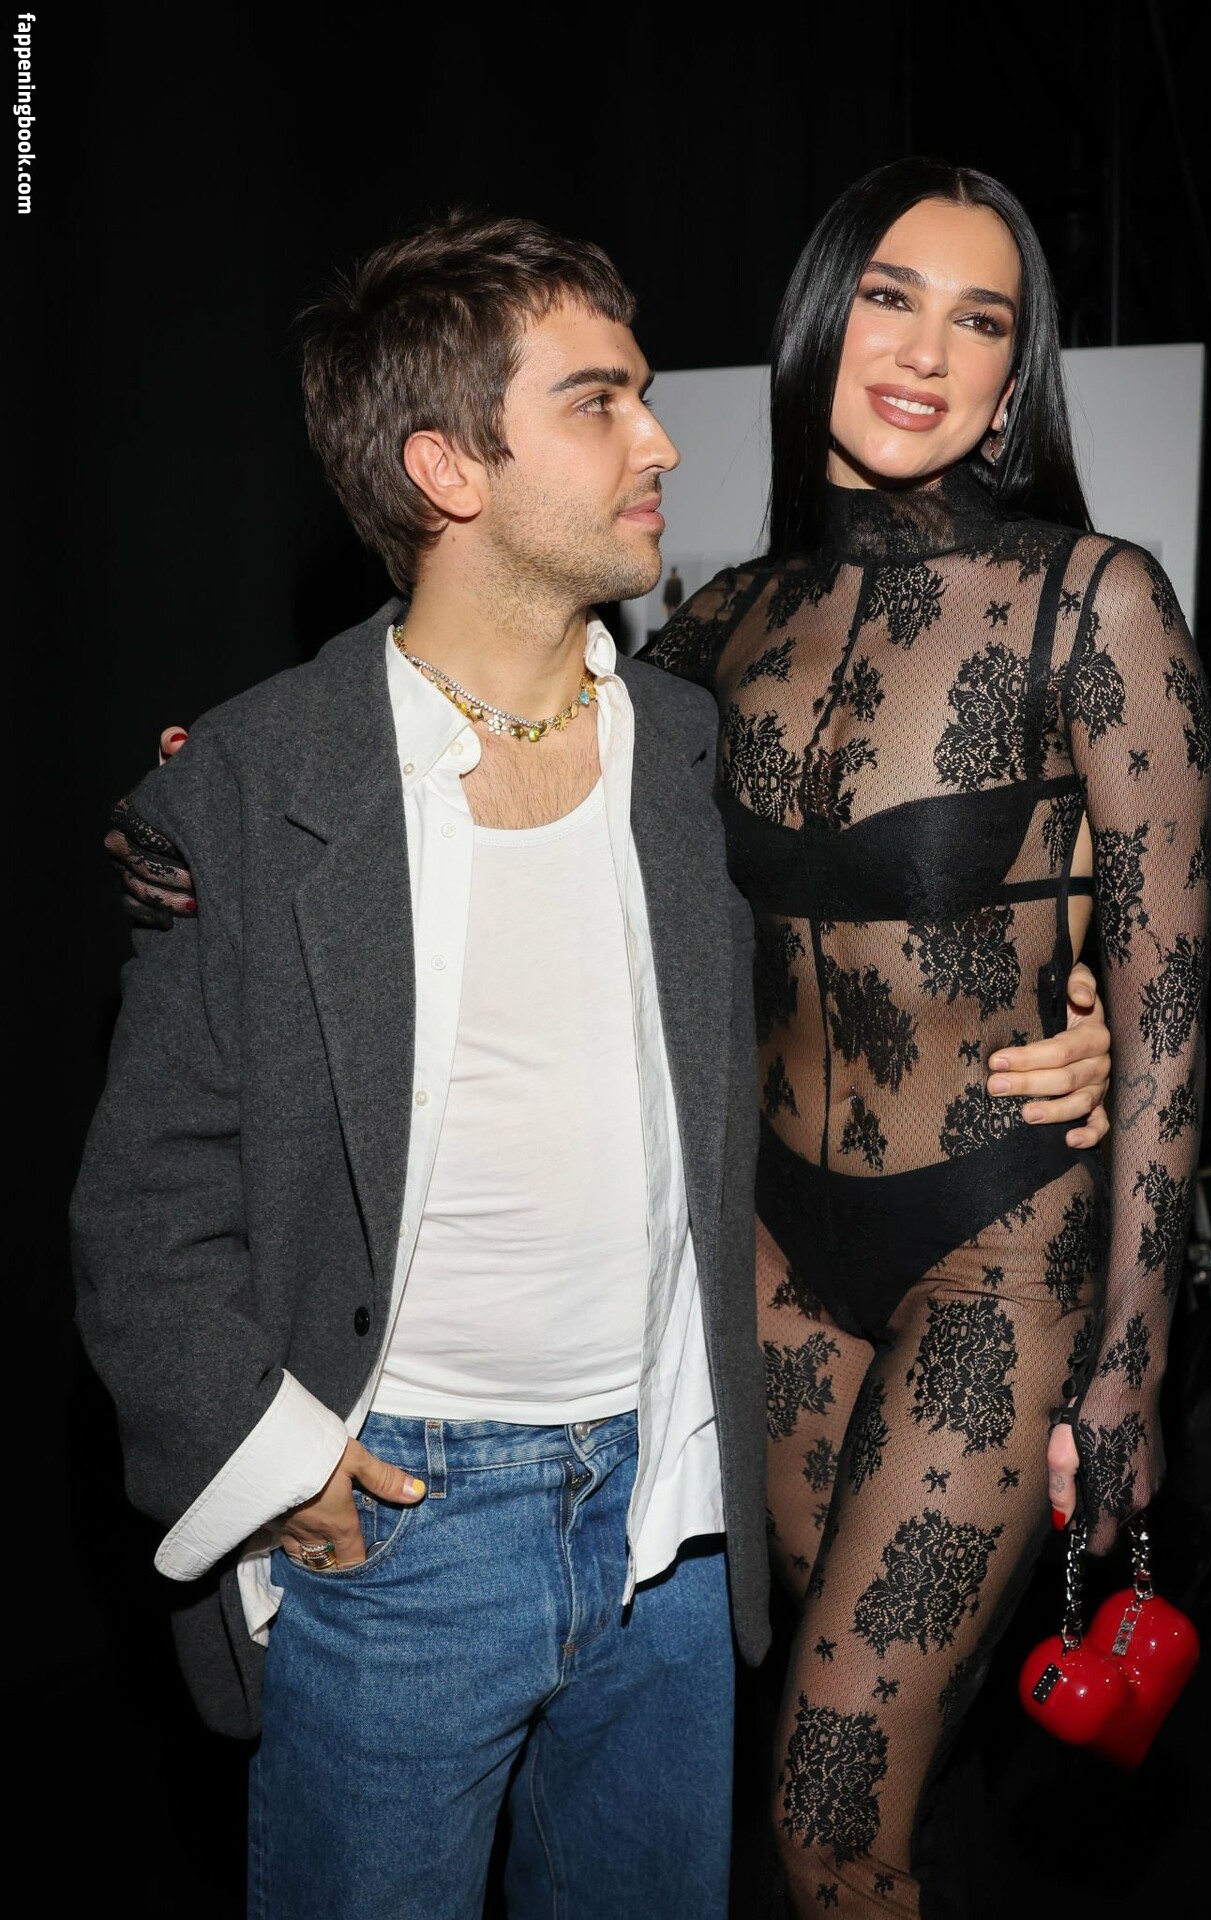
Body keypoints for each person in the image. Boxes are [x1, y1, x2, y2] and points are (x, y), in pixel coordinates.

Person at [75, 206, 1115, 1919]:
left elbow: (897, 920)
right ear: (445, 468)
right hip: (399, 1530)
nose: (661, 441)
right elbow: (143, 1207)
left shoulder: (693, 741)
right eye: (599, 402)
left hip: (671, 1526)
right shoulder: (257, 784)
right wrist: (272, 1466)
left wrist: (1071, 1023)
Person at [641, 158, 1211, 1916]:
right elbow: (489, 778)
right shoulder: (707, 629)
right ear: (820, 316)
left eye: (981, 321)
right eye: (889, 296)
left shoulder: (1091, 603)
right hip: (774, 1257)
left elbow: (1167, 1011)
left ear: (1015, 376)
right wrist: (232, 789)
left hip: (997, 1251)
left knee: (823, 1810)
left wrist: (1131, 1368)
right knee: (889, 1765)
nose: (924, 351)